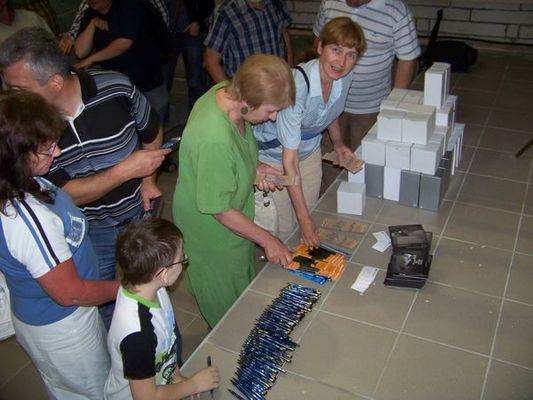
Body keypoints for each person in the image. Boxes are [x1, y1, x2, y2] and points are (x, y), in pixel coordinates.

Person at [0, 27, 170, 329]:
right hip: (90, 231)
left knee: (153, 288)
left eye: (17, 89)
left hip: (138, 214)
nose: (11, 98)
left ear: (55, 82)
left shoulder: (116, 87)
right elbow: (66, 193)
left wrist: (148, 179)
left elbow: (152, 132)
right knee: (104, 303)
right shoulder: (26, 130)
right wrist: (126, 170)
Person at [0, 90, 119, 399]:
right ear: (16, 156)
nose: (57, 152)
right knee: (93, 391)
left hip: (63, 315)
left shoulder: (22, 181)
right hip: (64, 326)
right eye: (47, 147)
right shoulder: (26, 219)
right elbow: (71, 293)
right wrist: (124, 289)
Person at [173, 54, 294, 327]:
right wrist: (268, 240)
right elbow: (219, 210)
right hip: (212, 234)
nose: (273, 117)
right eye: (270, 111)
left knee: (241, 288)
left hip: (232, 217)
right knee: (226, 310)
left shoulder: (226, 91)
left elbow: (234, 156)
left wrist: (256, 168)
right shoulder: (214, 137)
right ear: (247, 101)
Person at [253, 17, 366, 244]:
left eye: (351, 55)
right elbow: (289, 162)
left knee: (309, 210)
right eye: (336, 50)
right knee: (286, 226)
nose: (342, 62)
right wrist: (304, 221)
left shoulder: (345, 77)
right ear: (320, 47)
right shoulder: (297, 87)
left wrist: (338, 143)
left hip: (309, 150)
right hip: (275, 158)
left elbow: (328, 111)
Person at [106, 218, 220, 399]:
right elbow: (146, 397)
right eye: (182, 259)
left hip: (161, 382)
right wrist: (193, 384)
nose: (184, 261)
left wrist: (178, 379)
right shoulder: (137, 336)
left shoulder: (150, 287)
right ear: (164, 274)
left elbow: (166, 346)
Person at [313, 0, 421, 191]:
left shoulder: (396, 11)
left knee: (365, 162)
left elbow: (407, 59)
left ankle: (360, 199)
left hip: (370, 106)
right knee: (329, 158)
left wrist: (393, 108)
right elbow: (319, 40)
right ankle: (330, 198)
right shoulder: (329, 3)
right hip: (330, 101)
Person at [74, 0, 169, 121]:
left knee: (156, 120)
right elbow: (80, 51)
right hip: (119, 86)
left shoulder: (129, 6)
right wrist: (92, 25)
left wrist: (91, 59)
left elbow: (124, 43)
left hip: (147, 80)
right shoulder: (90, 14)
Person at [204, 0, 293, 83]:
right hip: (248, 88)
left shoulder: (275, 3)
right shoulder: (225, 13)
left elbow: (285, 37)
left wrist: (291, 73)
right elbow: (211, 60)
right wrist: (229, 91)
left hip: (280, 81)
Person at [164, 0, 215, 111]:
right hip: (166, 33)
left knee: (195, 81)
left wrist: (198, 23)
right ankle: (160, 118)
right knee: (164, 80)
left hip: (190, 33)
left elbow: (209, 6)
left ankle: (195, 116)